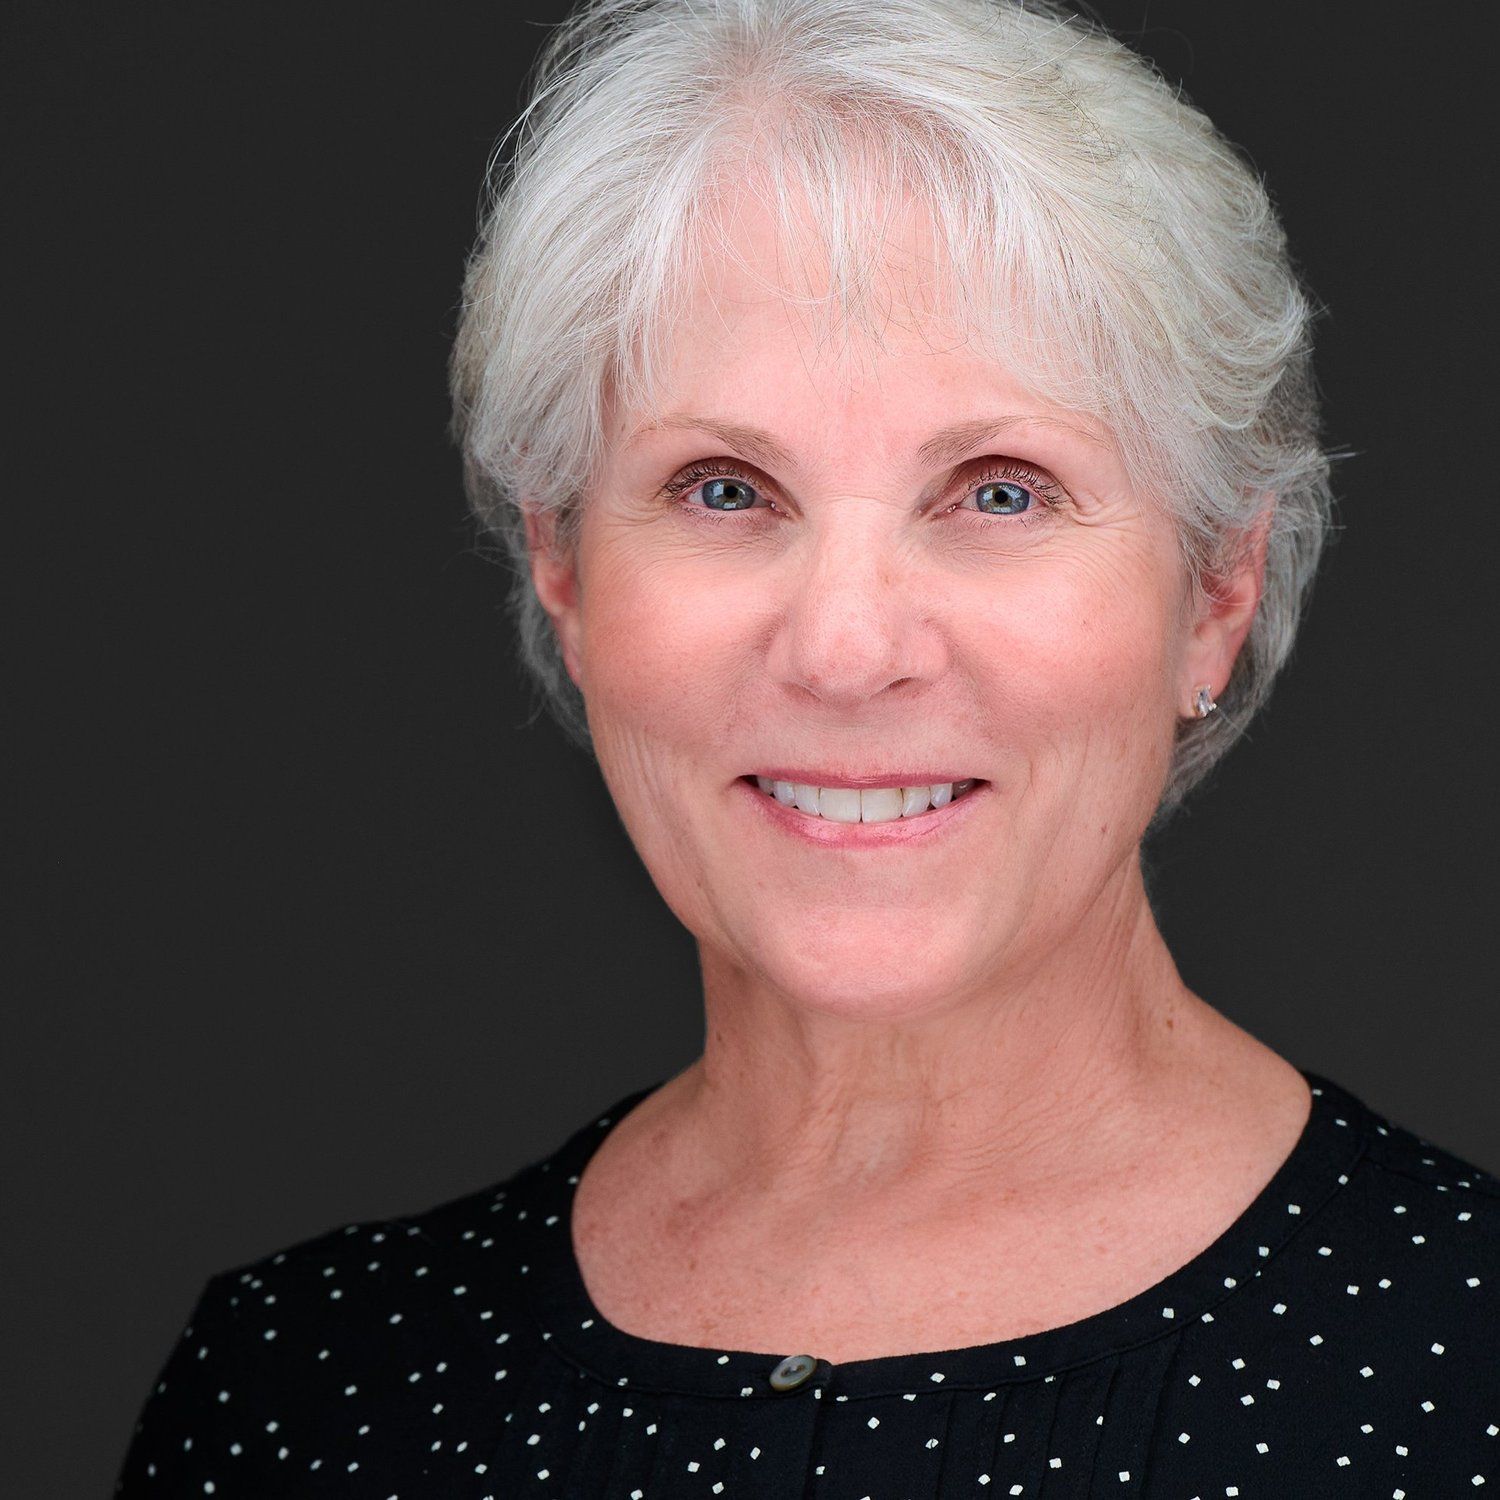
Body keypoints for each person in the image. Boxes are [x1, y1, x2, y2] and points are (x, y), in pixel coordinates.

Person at [116, 0, 1500, 1493]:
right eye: (721, 489)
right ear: (565, 574)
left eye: (1000, 491)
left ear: (1214, 591)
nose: (846, 649)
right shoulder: (303, 1394)